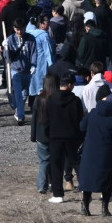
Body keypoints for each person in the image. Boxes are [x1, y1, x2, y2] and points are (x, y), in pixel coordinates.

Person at [78, 85, 112, 216]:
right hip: (107, 155)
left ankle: (85, 206)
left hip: (90, 152)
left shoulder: (92, 113)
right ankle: (105, 210)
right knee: (107, 182)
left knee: (88, 181)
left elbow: (81, 126)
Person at [46, 72, 86, 204]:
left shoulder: (51, 99)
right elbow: (80, 120)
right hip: (72, 136)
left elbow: (46, 120)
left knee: (56, 165)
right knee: (76, 162)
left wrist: (48, 134)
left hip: (55, 137)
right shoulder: (75, 101)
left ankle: (58, 194)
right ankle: (86, 187)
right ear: (69, 85)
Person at [3, 18, 35, 125]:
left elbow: (34, 53)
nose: (19, 32)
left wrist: (34, 65)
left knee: (25, 93)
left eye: (21, 29)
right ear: (14, 29)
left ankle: (17, 110)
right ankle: (21, 116)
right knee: (18, 93)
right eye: (17, 29)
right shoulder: (10, 39)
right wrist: (5, 49)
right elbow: (7, 57)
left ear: (25, 27)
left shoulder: (31, 39)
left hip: (27, 70)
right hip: (15, 70)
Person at [31, 74, 59, 194]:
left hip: (41, 136)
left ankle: (42, 185)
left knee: (43, 161)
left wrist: (33, 136)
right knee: (55, 161)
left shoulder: (39, 98)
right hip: (54, 135)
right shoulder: (57, 98)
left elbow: (34, 119)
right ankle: (54, 183)